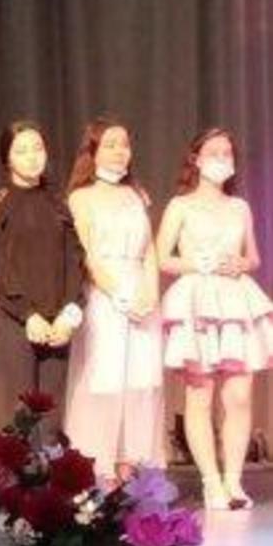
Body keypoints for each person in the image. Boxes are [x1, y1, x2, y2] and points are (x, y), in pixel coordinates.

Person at [157, 128, 273, 508]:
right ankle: (210, 482)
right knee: (200, 394)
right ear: (196, 159)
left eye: (227, 153)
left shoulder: (240, 207)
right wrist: (196, 263)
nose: (222, 159)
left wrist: (242, 263)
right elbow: (162, 257)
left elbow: (254, 257)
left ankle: (233, 481)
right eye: (214, 152)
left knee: (239, 395)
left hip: (235, 300)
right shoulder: (180, 205)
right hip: (197, 301)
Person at [64, 117, 165, 483]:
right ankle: (99, 474)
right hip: (104, 297)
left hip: (141, 293)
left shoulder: (136, 194)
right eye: (110, 144)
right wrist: (118, 293)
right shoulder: (81, 197)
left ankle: (132, 469)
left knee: (140, 382)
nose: (120, 151)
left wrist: (149, 293)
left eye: (124, 144)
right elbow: (87, 255)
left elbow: (149, 250)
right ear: (92, 151)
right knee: (105, 380)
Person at [0, 121, 84, 439]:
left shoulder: (58, 202)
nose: (32, 156)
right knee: (16, 419)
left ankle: (48, 471)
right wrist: (28, 314)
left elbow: (74, 261)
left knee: (50, 421)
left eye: (38, 148)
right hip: (16, 319)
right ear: (7, 159)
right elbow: (0, 266)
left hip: (56, 323)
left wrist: (69, 313)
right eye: (21, 150)